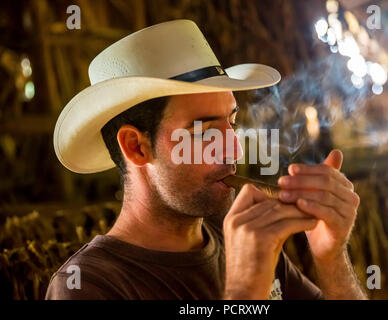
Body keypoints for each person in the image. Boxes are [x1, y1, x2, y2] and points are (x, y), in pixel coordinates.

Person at [46, 20, 366, 300]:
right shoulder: (88, 285)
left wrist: (331, 257)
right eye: (204, 134)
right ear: (136, 147)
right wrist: (244, 290)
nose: (234, 151)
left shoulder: (236, 240)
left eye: (232, 123)